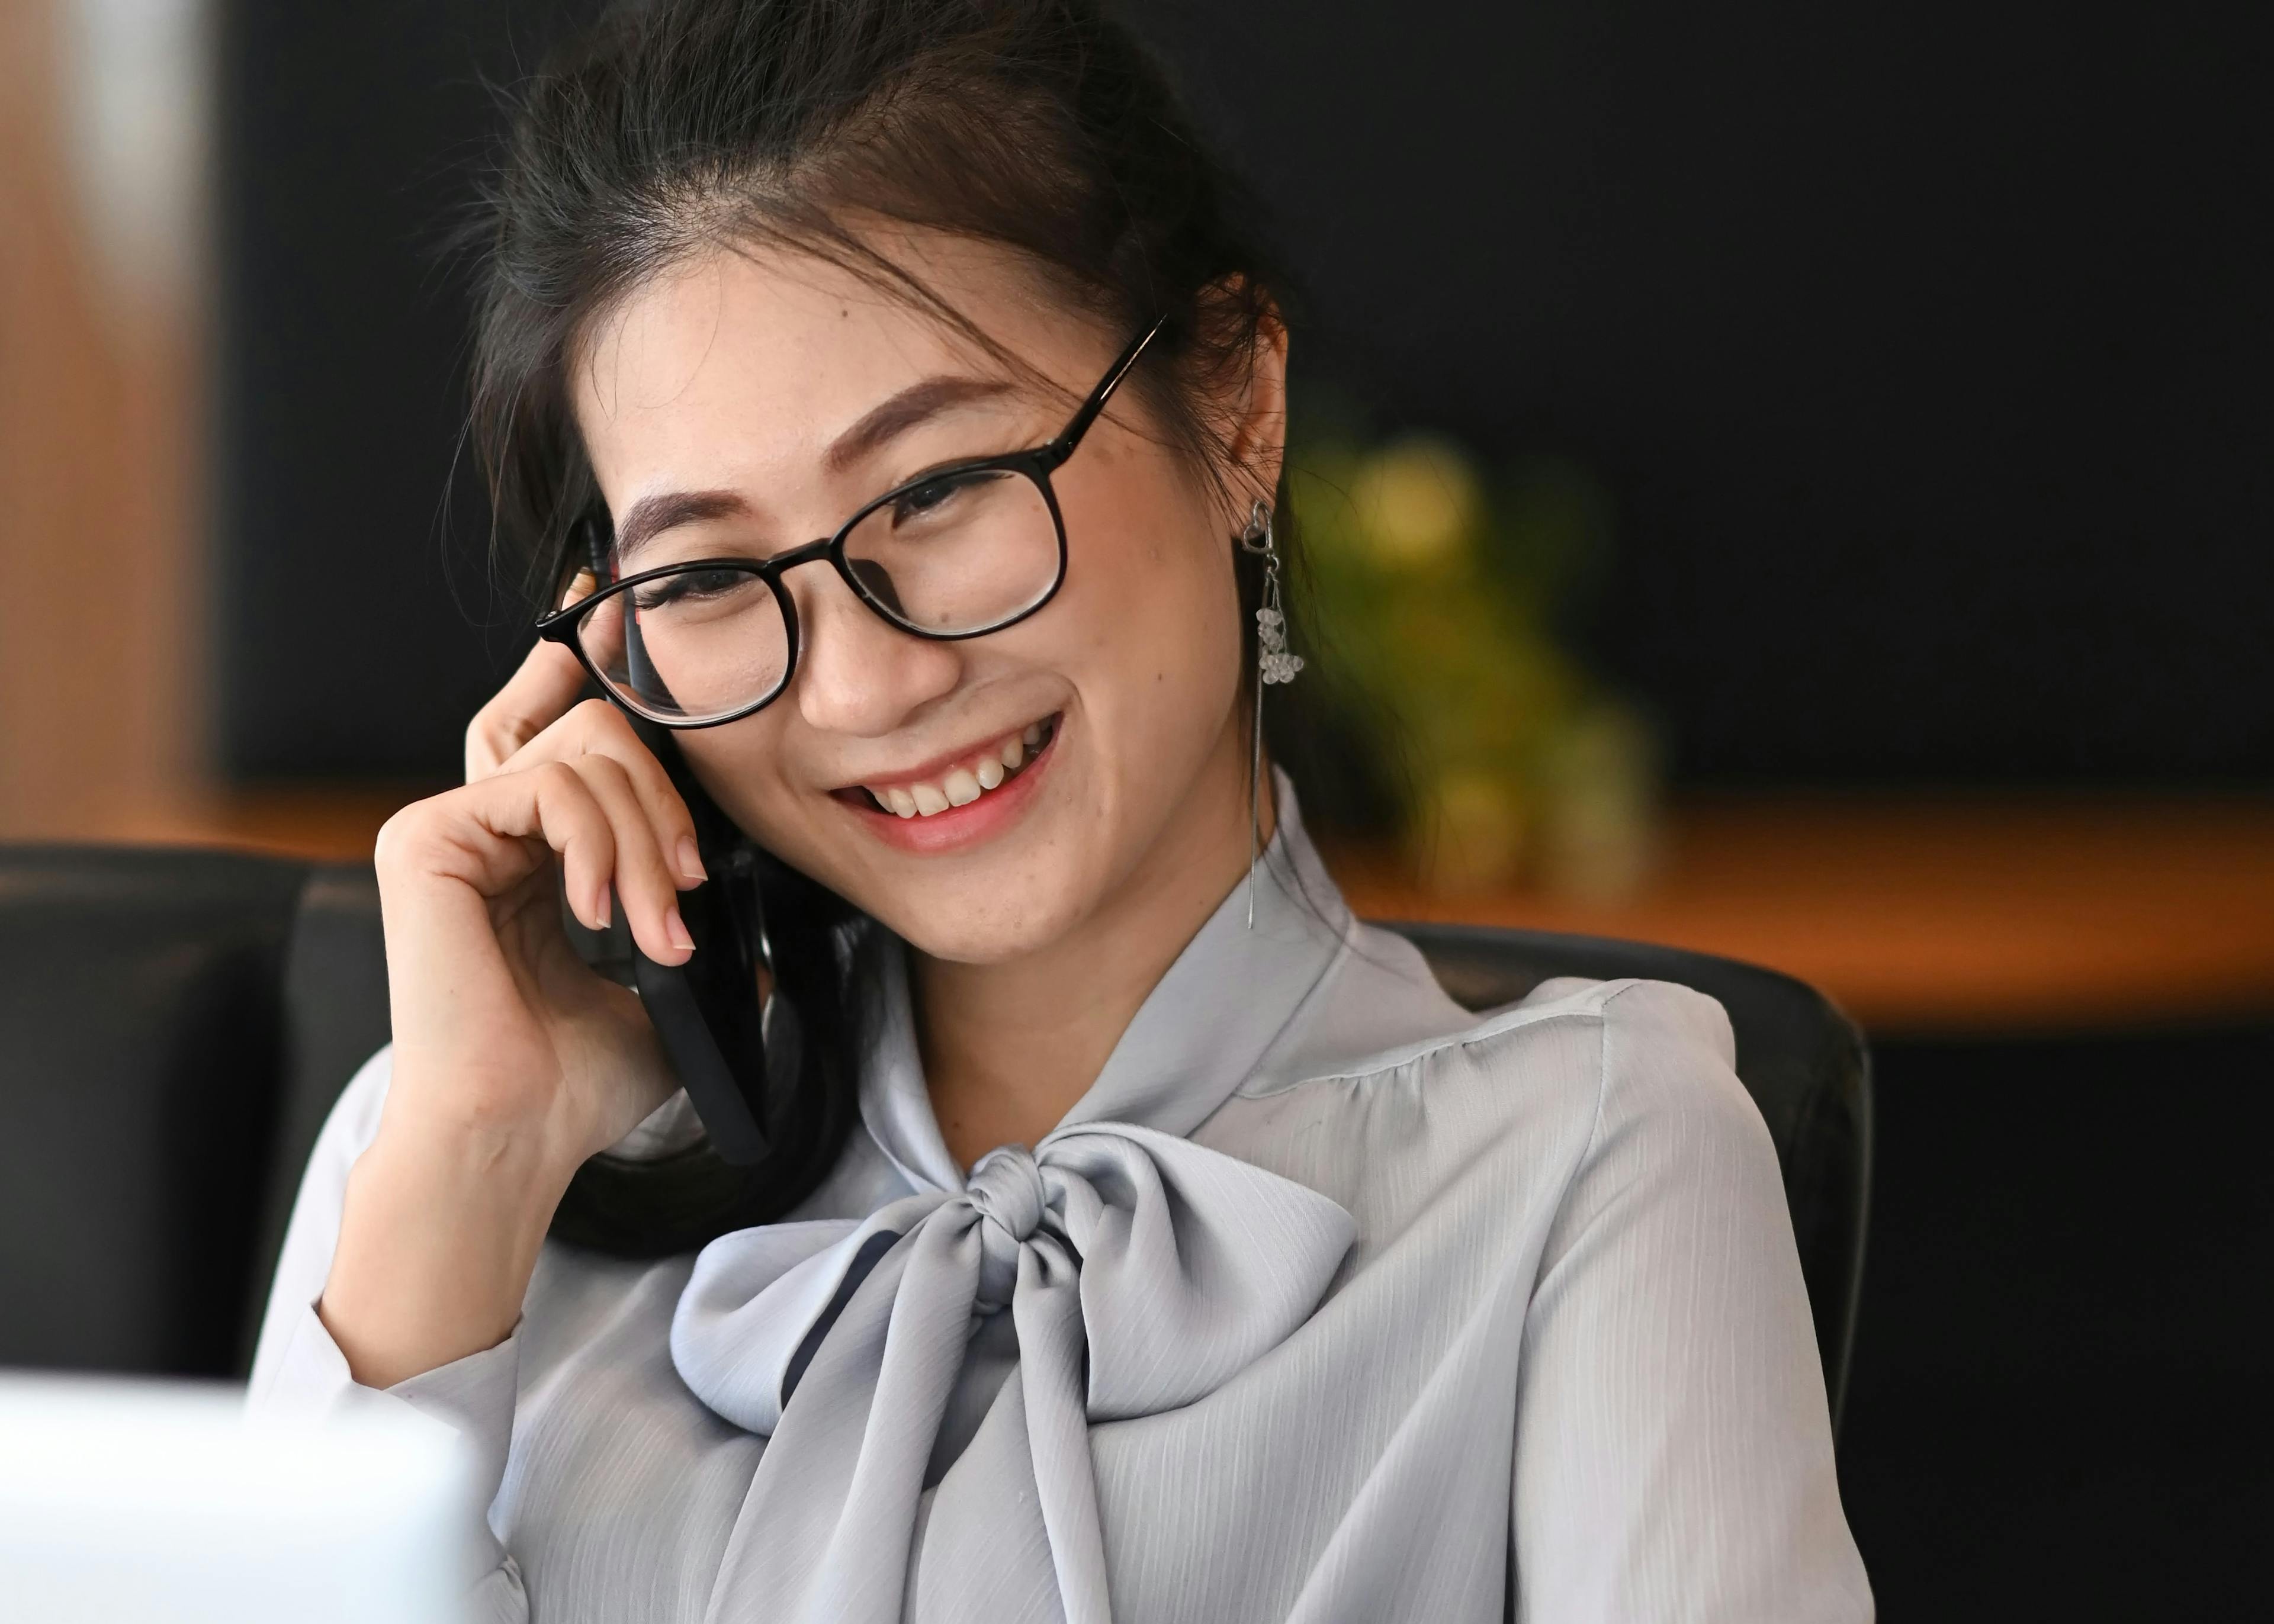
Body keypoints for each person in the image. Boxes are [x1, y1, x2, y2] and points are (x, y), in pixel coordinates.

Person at [250, 1, 1873, 1618]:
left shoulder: (1595, 1162)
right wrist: (469, 1164)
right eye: (713, 576)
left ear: (1235, 408)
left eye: (943, 489)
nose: (863, 688)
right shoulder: (449, 1162)